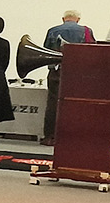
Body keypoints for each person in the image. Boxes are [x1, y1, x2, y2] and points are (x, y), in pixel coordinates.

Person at [39, 10, 95, 144]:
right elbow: (93, 50)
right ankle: (70, 137)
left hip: (55, 72)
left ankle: (49, 137)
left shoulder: (52, 30)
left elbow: (44, 51)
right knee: (75, 103)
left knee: (52, 103)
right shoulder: (86, 31)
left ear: (63, 19)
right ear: (78, 19)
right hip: (77, 74)